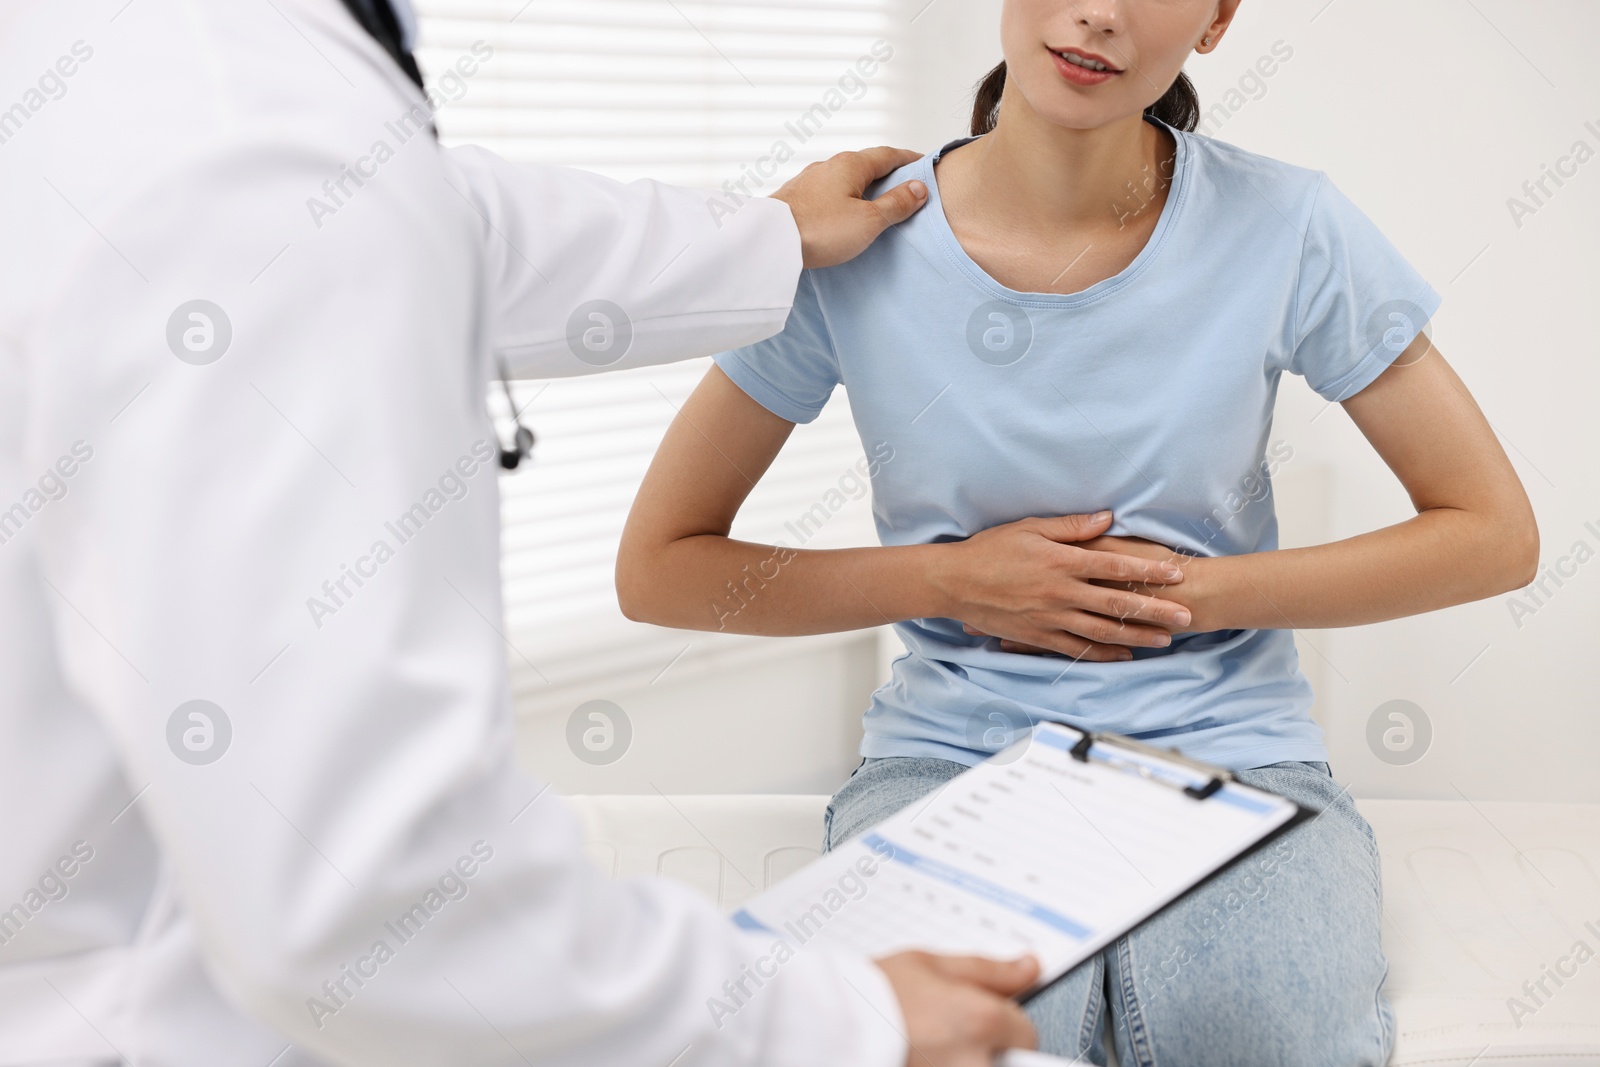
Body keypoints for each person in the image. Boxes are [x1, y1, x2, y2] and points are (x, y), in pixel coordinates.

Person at [0, 0, 1050, 1064]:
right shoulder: (246, 136)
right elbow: (366, 890)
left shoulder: (162, 74)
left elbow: (429, 210)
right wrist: (840, 1024)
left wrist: (763, 234)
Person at [615, 0, 1539, 1063]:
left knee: (1254, 1030)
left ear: (1216, 18)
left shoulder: (1289, 225)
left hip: (1234, 756)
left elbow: (1493, 531)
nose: (1098, 12)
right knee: (955, 1038)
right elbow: (663, 568)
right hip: (950, 756)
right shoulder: (853, 234)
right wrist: (951, 580)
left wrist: (1191, 594)